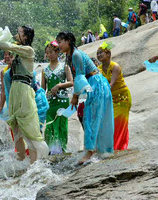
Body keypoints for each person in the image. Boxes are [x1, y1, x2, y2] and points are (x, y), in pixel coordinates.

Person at [0, 26, 49, 164]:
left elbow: (6, 44)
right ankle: (21, 162)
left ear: (25, 37)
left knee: (30, 131)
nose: (16, 34)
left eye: (19, 32)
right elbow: (3, 40)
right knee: (17, 130)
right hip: (15, 93)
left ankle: (36, 164)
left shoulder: (28, 50)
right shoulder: (18, 48)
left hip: (24, 92)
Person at [56, 32, 114, 164]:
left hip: (96, 83)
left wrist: (75, 97)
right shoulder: (69, 56)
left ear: (68, 41)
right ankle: (95, 149)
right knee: (92, 116)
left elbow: (80, 76)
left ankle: (90, 151)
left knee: (90, 117)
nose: (58, 45)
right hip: (94, 83)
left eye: (60, 42)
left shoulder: (76, 54)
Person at [97, 42, 132, 150]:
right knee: (110, 125)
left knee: (119, 125)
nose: (98, 55)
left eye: (101, 52)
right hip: (111, 100)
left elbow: (110, 85)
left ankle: (119, 148)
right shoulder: (98, 69)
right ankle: (114, 147)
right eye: (97, 54)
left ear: (108, 54)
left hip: (122, 98)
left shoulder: (115, 66)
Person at [42, 40, 73, 155]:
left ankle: (62, 150)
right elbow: (43, 89)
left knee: (62, 125)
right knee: (49, 125)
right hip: (50, 102)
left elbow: (71, 82)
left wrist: (59, 85)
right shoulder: (44, 70)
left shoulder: (65, 66)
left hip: (62, 101)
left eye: (51, 52)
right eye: (47, 53)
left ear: (57, 52)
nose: (49, 55)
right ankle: (50, 150)